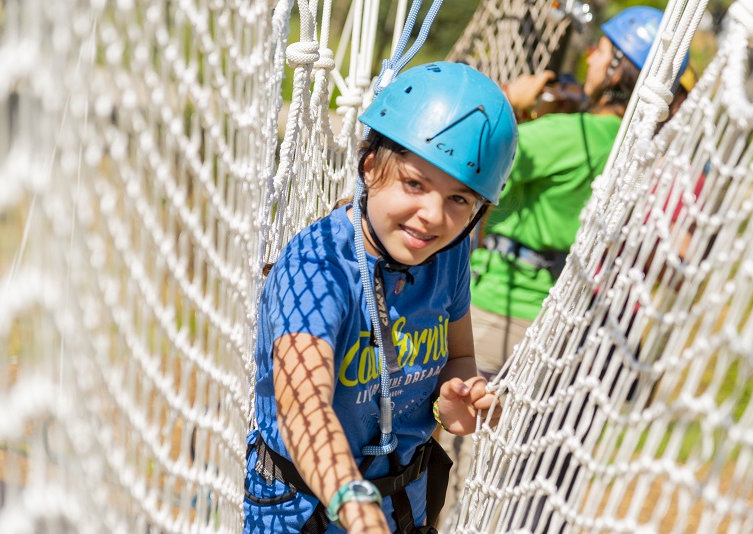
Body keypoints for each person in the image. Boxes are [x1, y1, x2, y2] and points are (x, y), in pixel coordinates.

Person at [243, 61, 518, 533]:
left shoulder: (445, 258)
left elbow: (460, 355)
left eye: (460, 200)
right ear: (370, 169)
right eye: (415, 183)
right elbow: (303, 408)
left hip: (402, 509)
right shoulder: (318, 266)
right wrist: (355, 504)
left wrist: (451, 403)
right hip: (304, 516)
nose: (432, 215)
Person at [437, 6, 675, 530]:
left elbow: (465, 155)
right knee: (508, 469)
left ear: (619, 71)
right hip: (552, 324)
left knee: (449, 461)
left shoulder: (571, 135)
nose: (590, 56)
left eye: (603, 52)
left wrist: (511, 102)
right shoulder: (642, 149)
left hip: (492, 314)